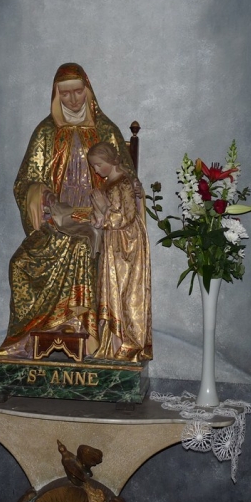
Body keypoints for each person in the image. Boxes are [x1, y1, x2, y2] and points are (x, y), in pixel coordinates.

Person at [0, 64, 136, 358]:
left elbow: (127, 181)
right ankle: (27, 340)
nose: (72, 100)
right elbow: (26, 180)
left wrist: (107, 207)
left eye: (77, 92)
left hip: (97, 222)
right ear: (56, 95)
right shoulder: (47, 131)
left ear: (88, 91)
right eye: (65, 93)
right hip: (56, 220)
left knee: (82, 247)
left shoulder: (106, 130)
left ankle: (82, 331)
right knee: (20, 264)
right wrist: (40, 193)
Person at [87, 142, 152, 362]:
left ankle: (127, 344)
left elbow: (127, 216)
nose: (96, 170)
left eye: (98, 165)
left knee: (124, 290)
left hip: (127, 244)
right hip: (112, 243)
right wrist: (97, 218)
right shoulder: (107, 185)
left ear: (110, 160)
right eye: (94, 166)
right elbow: (104, 217)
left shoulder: (124, 183)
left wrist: (104, 211)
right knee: (110, 290)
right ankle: (110, 344)